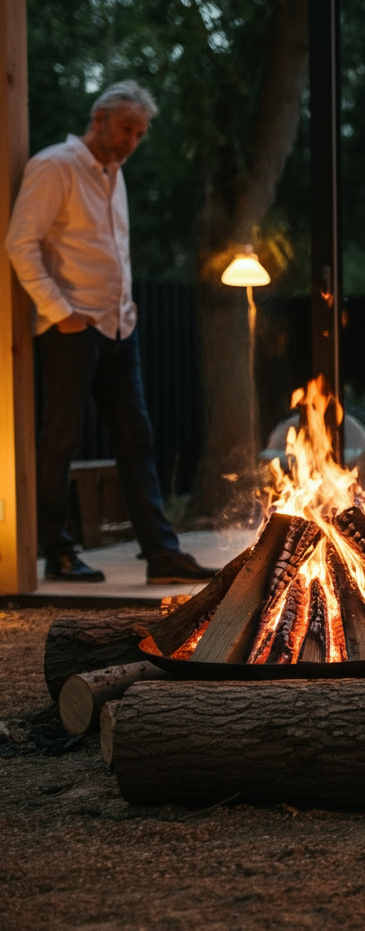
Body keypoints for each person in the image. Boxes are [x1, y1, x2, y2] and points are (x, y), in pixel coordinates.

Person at [5, 80, 216, 584]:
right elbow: (20, 244)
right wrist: (61, 312)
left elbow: (111, 250)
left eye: (140, 134)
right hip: (72, 328)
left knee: (136, 439)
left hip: (120, 327)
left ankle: (162, 556)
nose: (132, 141)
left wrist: (126, 305)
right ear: (99, 119)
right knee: (61, 439)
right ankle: (56, 551)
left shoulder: (114, 175)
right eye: (126, 129)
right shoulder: (56, 165)